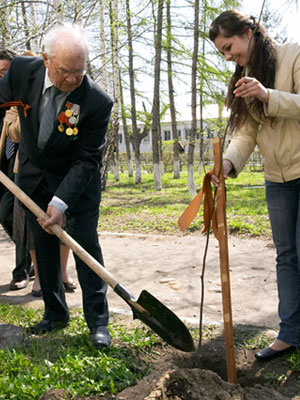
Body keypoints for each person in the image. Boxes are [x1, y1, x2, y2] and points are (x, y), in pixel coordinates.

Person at [0, 23, 113, 348]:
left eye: (80, 71)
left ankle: (98, 322)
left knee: (86, 249)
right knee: (45, 250)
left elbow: (87, 160)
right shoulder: (22, 70)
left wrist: (61, 201)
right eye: (66, 71)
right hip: (35, 180)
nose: (73, 79)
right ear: (47, 60)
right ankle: (54, 313)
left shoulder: (95, 102)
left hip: (76, 188)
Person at [209, 10, 300, 361]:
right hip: (277, 179)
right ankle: (289, 334)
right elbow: (247, 131)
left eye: (230, 47)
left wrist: (267, 94)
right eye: (223, 53)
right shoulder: (245, 77)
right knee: (286, 256)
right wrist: (228, 163)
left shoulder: (292, 55)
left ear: (248, 32)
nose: (229, 57)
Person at [0, 48, 32, 291]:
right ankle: (32, 256)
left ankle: (21, 269)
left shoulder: (24, 96)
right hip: (4, 165)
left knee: (18, 216)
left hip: (22, 166)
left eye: (5, 72)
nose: (2, 77)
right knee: (4, 214)